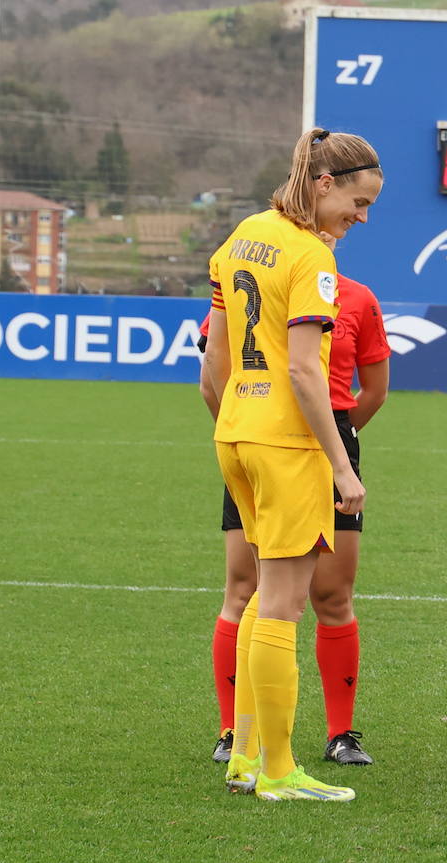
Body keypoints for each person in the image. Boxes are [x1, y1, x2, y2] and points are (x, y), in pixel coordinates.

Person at [204, 126, 381, 802]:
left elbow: (210, 368)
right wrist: (341, 466)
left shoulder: (242, 235)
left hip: (238, 435)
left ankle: (245, 756)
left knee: (256, 597)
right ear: (324, 183)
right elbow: (308, 372)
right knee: (282, 605)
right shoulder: (312, 257)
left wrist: (236, 419)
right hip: (287, 443)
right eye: (357, 204)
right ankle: (279, 769)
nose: (359, 219)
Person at [310, 251, 391, 766]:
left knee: (333, 594)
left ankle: (341, 733)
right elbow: (216, 369)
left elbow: (375, 390)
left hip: (336, 440)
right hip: (266, 440)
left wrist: (339, 437)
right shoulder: (264, 279)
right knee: (248, 590)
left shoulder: (358, 298)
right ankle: (234, 730)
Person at [196, 311, 257, 765]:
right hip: (274, 447)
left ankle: (242, 732)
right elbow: (209, 375)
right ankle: (236, 728)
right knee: (252, 592)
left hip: (257, 445)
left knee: (261, 593)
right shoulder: (238, 283)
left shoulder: (346, 295)